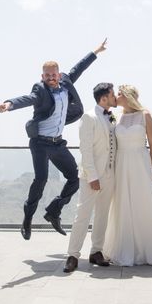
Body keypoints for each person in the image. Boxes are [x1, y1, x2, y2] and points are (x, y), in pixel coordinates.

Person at [0, 40, 107, 240]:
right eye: (47, 75)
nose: (50, 78)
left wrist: (96, 52)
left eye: (53, 74)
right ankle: (27, 219)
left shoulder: (66, 81)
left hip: (57, 142)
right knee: (41, 180)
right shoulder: (40, 90)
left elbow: (78, 68)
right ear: (42, 76)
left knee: (75, 177)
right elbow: (28, 98)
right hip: (40, 142)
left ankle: (54, 210)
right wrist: (9, 103)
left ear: (58, 74)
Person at [104, 85, 152, 269]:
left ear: (127, 96)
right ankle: (126, 248)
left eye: (119, 94)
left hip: (140, 163)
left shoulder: (145, 115)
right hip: (121, 164)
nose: (116, 96)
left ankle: (151, 247)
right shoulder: (118, 117)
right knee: (123, 203)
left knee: (144, 202)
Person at [63, 83, 117, 273]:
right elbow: (85, 149)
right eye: (113, 94)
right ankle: (72, 255)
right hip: (91, 176)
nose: (116, 97)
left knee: (102, 215)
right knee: (82, 215)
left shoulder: (111, 117)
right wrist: (93, 177)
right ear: (104, 97)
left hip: (110, 175)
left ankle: (96, 251)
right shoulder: (88, 116)